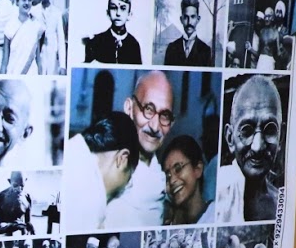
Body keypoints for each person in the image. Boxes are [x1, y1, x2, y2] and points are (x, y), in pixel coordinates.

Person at [106, 70, 175, 228]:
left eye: (165, 115)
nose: (155, 127)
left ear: (171, 124)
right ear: (129, 108)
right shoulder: (105, 166)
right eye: (148, 109)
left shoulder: (164, 182)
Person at [219, 76, 284, 223]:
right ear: (230, 138)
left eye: (269, 130)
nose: (258, 147)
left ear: (281, 137)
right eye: (247, 131)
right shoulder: (219, 193)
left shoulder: (282, 203)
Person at [59, 111, 140, 230]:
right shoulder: (91, 199)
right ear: (122, 159)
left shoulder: (73, 149)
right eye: (130, 176)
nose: (128, 185)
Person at [160, 134, 213, 226]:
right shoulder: (170, 226)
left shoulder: (216, 214)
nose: (172, 181)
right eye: (168, 176)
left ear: (197, 169)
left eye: (178, 169)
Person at [83, 0, 143, 65]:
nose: (118, 13)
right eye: (114, 8)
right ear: (108, 13)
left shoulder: (134, 45)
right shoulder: (96, 42)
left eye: (123, 8)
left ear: (129, 15)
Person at [4, 0, 47, 76]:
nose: (27, 3)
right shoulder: (9, 25)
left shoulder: (36, 26)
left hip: (31, 73)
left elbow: (38, 58)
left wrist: (41, 75)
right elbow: (5, 60)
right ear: (17, 1)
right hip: (13, 73)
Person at [162, 0, 213, 68]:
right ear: (181, 19)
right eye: (186, 17)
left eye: (193, 17)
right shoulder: (171, 48)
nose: (189, 22)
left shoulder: (205, 50)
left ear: (198, 19)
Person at [34, 0, 66, 74]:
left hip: (52, 53)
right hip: (38, 53)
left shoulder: (57, 12)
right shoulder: (34, 10)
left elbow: (61, 39)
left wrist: (62, 65)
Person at [0, 171, 32, 235]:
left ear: (25, 180)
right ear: (9, 181)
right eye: (15, 185)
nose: (19, 189)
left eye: (22, 186)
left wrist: (33, 232)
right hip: (5, 236)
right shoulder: (0, 197)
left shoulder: (27, 197)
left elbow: (28, 223)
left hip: (22, 235)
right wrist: (7, 228)